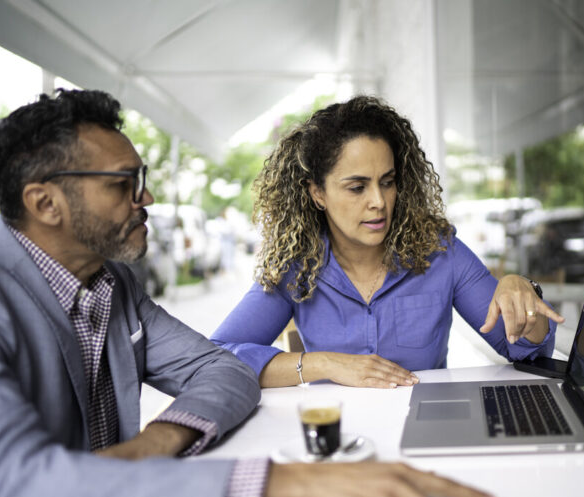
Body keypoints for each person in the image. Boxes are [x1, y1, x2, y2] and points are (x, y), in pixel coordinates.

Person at [0, 89, 493, 497]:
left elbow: (221, 370)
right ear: (44, 203)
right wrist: (279, 483)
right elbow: (16, 485)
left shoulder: (113, 285)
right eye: (125, 184)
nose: (147, 198)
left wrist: (150, 446)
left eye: (387, 182)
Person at [212, 95, 565, 389]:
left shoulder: (440, 251)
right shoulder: (297, 266)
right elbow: (217, 358)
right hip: (341, 443)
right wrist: (325, 364)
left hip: (428, 434)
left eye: (387, 181)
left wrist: (523, 295)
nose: (378, 202)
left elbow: (524, 351)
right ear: (318, 193)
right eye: (357, 187)